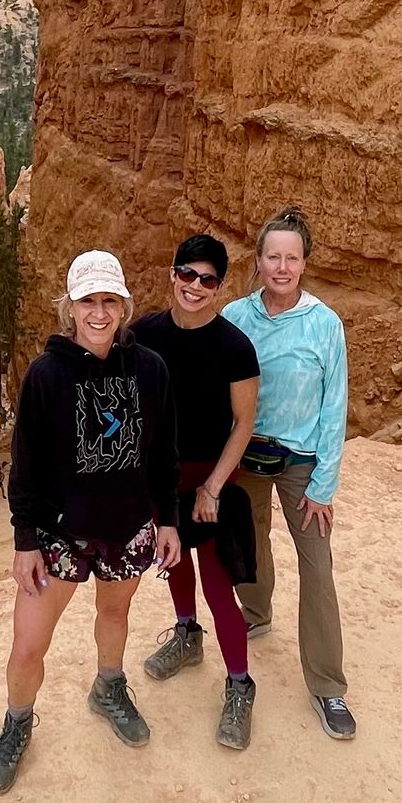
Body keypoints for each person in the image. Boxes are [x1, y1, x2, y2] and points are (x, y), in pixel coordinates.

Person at [0, 251, 180, 795]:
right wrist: (25, 541)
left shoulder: (150, 371)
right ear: (69, 308)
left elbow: (163, 454)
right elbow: (26, 463)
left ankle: (108, 687)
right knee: (28, 645)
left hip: (129, 525)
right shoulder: (47, 374)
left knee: (115, 614)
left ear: (124, 306)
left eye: (108, 301)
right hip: (58, 534)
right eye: (87, 301)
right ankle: (17, 723)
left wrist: (168, 521)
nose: (98, 312)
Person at [223, 207, 355, 741]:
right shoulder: (236, 317)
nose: (282, 267)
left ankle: (328, 685)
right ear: (257, 262)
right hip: (247, 455)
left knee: (317, 567)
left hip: (301, 463)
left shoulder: (325, 325)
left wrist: (324, 486)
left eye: (291, 258)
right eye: (272, 257)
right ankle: (256, 612)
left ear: (304, 264)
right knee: (249, 540)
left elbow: (334, 407)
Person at [134, 235, 263, 750]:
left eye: (208, 280)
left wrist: (213, 486)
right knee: (174, 561)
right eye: (187, 274)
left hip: (212, 477)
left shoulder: (234, 346)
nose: (195, 286)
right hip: (162, 478)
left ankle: (239, 684)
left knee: (217, 583)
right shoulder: (143, 334)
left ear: (219, 286)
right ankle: (187, 635)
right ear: (173, 273)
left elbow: (244, 421)